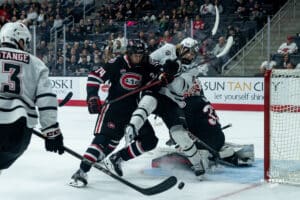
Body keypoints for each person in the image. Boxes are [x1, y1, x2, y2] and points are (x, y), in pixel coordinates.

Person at [106, 37, 209, 179]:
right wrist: (161, 70)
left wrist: (172, 75)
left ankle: (198, 164)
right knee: (147, 102)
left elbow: (180, 89)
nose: (192, 57)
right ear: (183, 48)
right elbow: (148, 62)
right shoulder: (167, 49)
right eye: (190, 53)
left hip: (172, 102)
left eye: (194, 55)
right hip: (156, 90)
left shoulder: (193, 69)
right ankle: (131, 127)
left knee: (180, 136)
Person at [69, 39, 163, 187]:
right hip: (114, 108)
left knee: (150, 140)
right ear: (128, 53)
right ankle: (81, 172)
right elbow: (94, 76)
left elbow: (161, 72)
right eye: (135, 55)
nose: (138, 58)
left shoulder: (146, 63)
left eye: (141, 55)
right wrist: (92, 96)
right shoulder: (116, 63)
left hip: (134, 111)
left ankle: (118, 158)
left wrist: (167, 73)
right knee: (104, 141)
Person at [0, 22, 64, 174]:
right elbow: (46, 99)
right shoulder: (36, 63)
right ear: (20, 40)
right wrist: (51, 131)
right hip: (16, 131)